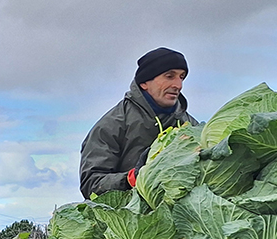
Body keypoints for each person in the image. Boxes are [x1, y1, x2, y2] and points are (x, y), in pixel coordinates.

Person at [79, 47, 197, 199]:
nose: (178, 85)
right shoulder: (111, 125)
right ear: (144, 83)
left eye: (181, 77)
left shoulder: (191, 127)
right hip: (126, 219)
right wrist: (131, 178)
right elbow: (91, 184)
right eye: (169, 76)